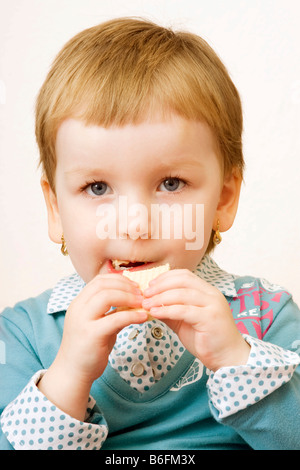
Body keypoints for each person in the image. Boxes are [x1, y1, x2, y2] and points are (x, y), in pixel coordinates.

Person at [0, 18, 299, 451]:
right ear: (55, 209)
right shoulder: (24, 334)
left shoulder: (268, 315)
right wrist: (68, 376)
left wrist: (237, 360)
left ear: (223, 200)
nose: (135, 224)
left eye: (171, 184)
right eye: (97, 188)